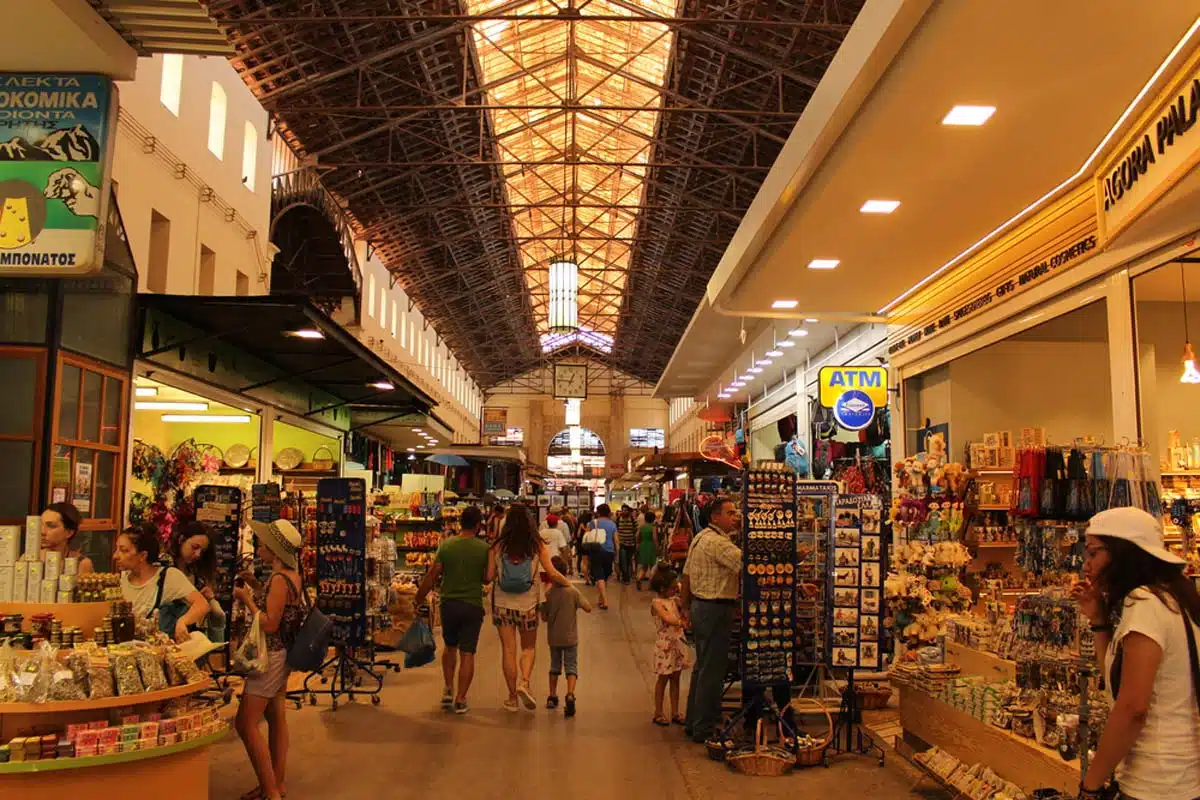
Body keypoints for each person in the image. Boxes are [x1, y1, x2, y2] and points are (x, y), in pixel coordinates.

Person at [1073, 507, 1200, 800]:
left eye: (1093, 553)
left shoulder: (1145, 602)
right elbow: (1117, 687)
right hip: (1178, 775)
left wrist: (1090, 785)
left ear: (1122, 554)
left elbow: (1132, 709)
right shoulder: (1174, 596)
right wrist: (1099, 620)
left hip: (1155, 780)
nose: (1086, 566)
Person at [233, 519, 305, 800]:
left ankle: (271, 790)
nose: (258, 546)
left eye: (263, 542)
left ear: (274, 549)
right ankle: (276, 783)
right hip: (283, 654)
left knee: (245, 723)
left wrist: (247, 599)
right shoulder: (290, 576)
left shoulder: (279, 579)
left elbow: (270, 623)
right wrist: (255, 584)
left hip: (270, 656)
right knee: (276, 717)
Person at [488, 504, 570, 711]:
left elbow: (489, 577)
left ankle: (512, 698)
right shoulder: (537, 545)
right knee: (528, 647)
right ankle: (524, 682)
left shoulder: (497, 546)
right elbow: (551, 572)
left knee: (508, 650)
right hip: (529, 604)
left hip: (502, 603)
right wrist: (568, 584)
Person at [414, 505, 490, 714]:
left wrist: (419, 597)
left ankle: (448, 687)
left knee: (450, 647)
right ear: (477, 525)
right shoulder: (483, 548)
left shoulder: (447, 546)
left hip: (449, 604)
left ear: (460, 523)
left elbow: (433, 574)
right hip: (473, 605)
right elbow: (486, 578)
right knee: (468, 653)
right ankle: (461, 699)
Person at [681, 498, 742, 743]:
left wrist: (685, 607)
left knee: (702, 668)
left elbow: (685, 574)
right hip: (715, 609)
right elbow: (748, 566)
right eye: (730, 512)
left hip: (701, 607)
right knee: (712, 671)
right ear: (715, 518)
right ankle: (704, 728)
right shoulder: (719, 544)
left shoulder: (700, 537)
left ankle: (693, 722)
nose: (735, 516)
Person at [115, 523, 208, 643]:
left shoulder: (168, 576)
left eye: (123, 550)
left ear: (143, 555)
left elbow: (202, 604)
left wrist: (183, 621)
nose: (115, 556)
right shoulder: (121, 584)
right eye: (117, 549)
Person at [542, 555, 591, 717]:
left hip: (554, 637)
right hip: (571, 637)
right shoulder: (572, 591)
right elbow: (588, 607)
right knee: (571, 666)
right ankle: (570, 694)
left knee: (554, 666)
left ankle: (552, 695)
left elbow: (543, 617)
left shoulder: (548, 593)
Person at [169, 520, 226, 643]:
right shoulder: (165, 567)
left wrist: (209, 598)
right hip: (168, 635)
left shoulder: (197, 572)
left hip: (190, 636)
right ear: (181, 540)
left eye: (202, 551)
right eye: (194, 547)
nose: (198, 554)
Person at [650, 567, 689, 726]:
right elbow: (667, 618)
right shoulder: (657, 603)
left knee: (676, 677)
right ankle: (658, 712)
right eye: (673, 586)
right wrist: (682, 623)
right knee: (663, 678)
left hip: (677, 642)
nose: (675, 589)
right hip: (665, 645)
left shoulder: (674, 600)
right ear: (662, 588)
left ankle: (675, 711)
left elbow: (684, 602)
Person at [40, 502, 93, 575]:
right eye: (40, 525)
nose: (42, 532)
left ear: (69, 532)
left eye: (51, 526)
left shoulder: (81, 563)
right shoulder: (30, 559)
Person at [585, 504, 618, 609]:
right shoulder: (612, 524)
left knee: (599, 575)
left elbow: (587, 536)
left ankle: (605, 601)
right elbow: (616, 540)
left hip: (596, 550)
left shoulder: (592, 523)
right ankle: (601, 599)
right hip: (609, 551)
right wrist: (617, 553)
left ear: (598, 512)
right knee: (605, 575)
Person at [636, 511, 658, 590]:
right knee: (652, 567)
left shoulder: (641, 527)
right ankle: (650, 585)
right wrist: (657, 547)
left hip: (643, 546)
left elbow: (637, 536)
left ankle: (639, 578)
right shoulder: (653, 527)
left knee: (644, 567)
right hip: (650, 546)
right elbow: (655, 538)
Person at [616, 505, 638, 583]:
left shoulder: (632, 519)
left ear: (628, 511)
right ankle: (626, 578)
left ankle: (627, 576)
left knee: (628, 561)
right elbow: (616, 530)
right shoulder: (618, 519)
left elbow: (636, 530)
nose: (624, 512)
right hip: (622, 544)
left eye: (626, 510)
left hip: (631, 544)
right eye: (623, 510)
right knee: (623, 561)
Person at [575, 511, 594, 580]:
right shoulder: (590, 524)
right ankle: (589, 575)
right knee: (589, 562)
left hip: (581, 544)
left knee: (582, 561)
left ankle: (584, 576)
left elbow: (577, 536)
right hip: (589, 544)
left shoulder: (579, 526)